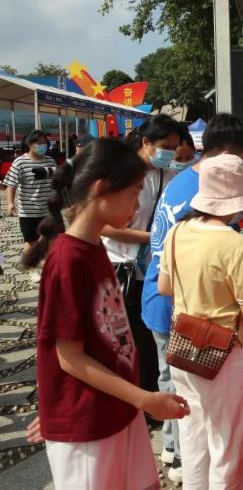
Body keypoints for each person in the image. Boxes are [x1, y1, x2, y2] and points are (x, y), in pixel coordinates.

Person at [141, 113, 243, 482]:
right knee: (228, 444)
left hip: (184, 343)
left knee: (195, 434)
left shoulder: (180, 231)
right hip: (223, 350)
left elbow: (166, 286)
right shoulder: (232, 243)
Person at [24, 138, 189, 490]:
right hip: (90, 425)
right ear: (101, 188)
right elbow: (68, 357)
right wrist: (144, 398)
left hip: (114, 408)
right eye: (133, 194)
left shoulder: (93, 245)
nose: (136, 206)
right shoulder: (67, 260)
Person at [102, 114, 183, 398]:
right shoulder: (121, 174)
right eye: (165, 146)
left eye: (174, 147)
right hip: (121, 267)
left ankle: (148, 395)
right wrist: (154, 237)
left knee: (152, 336)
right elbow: (107, 227)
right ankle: (132, 396)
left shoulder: (168, 174)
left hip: (152, 268)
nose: (170, 152)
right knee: (129, 338)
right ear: (146, 142)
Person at [3, 129, 57, 259]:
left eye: (45, 143)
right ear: (30, 144)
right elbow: (11, 184)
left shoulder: (50, 161)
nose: (43, 146)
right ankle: (32, 268)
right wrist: (10, 203)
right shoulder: (19, 162)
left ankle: (47, 266)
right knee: (31, 241)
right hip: (28, 211)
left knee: (49, 240)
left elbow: (56, 182)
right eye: (39, 143)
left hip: (47, 210)